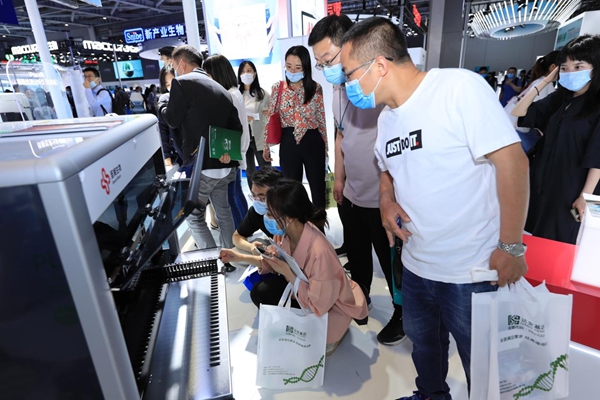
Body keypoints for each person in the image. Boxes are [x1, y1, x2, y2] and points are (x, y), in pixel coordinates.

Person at [340, 17, 529, 400]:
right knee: (425, 349)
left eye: (348, 74)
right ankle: (430, 395)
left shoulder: (457, 89)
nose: (346, 85)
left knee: (482, 365)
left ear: (379, 65)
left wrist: (511, 246)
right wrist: (386, 199)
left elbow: (513, 162)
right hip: (416, 265)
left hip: (471, 270)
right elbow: (387, 169)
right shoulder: (387, 119)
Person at [308, 14, 405, 345]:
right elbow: (341, 134)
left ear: (350, 45)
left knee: (391, 260)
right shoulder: (338, 89)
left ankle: (402, 311)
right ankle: (359, 300)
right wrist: (339, 177)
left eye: (328, 59)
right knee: (358, 255)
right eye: (321, 64)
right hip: (352, 191)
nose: (326, 69)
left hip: (382, 195)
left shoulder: (375, 83)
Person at [249, 178, 369, 355]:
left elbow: (319, 305)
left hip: (327, 305)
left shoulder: (319, 252)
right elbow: (276, 256)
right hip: (304, 290)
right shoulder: (286, 232)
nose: (266, 218)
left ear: (289, 217)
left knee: (316, 344)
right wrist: (243, 258)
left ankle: (333, 333)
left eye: (270, 213)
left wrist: (288, 273)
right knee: (260, 292)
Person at [512, 34, 600, 245]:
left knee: (563, 243)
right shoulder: (561, 99)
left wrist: (585, 196)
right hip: (545, 182)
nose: (570, 73)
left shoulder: (596, 106)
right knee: (535, 237)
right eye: (564, 68)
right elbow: (519, 112)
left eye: (578, 67)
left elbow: (598, 157)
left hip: (573, 189)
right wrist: (544, 81)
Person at [157, 45, 242, 252]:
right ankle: (230, 256)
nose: (175, 70)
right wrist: (227, 152)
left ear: (181, 63)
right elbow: (236, 127)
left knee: (193, 216)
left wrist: (162, 104)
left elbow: (172, 120)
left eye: (174, 65)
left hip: (201, 165)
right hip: (224, 165)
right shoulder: (220, 88)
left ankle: (211, 259)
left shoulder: (182, 83)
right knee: (224, 213)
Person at [263, 45, 328, 209]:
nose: (292, 71)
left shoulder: (315, 88)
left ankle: (318, 223)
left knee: (318, 189)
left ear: (305, 68)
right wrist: (266, 145)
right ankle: (296, 224)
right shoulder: (278, 88)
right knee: (291, 191)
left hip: (312, 141)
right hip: (289, 142)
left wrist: (326, 146)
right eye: (289, 66)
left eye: (298, 68)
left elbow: (321, 119)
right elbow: (271, 117)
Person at [202, 54, 251, 229]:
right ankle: (244, 230)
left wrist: (229, 152)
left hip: (231, 153)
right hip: (235, 151)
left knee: (231, 196)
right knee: (236, 192)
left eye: (208, 74)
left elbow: (233, 128)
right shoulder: (233, 92)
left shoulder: (230, 95)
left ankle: (240, 232)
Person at [219, 166, 284, 267]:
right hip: (275, 249)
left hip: (295, 254)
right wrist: (251, 247)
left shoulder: (291, 211)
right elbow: (237, 236)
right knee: (236, 254)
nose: (257, 201)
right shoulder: (256, 211)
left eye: (262, 198)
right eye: (253, 195)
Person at [509, 51, 559, 153]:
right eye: (565, 68)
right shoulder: (544, 84)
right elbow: (536, 112)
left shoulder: (539, 81)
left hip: (522, 129)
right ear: (553, 67)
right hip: (528, 130)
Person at [238, 60, 272, 187]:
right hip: (244, 136)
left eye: (248, 71)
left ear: (254, 73)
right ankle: (254, 195)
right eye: (242, 72)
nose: (245, 74)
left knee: (266, 170)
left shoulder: (263, 94)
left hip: (259, 136)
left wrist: (269, 114)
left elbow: (272, 115)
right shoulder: (237, 94)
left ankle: (269, 195)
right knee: (249, 171)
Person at [158, 64, 183, 166]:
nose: (171, 87)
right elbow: (163, 129)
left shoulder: (188, 96)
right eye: (167, 84)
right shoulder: (165, 100)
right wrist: (166, 155)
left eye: (173, 82)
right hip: (180, 153)